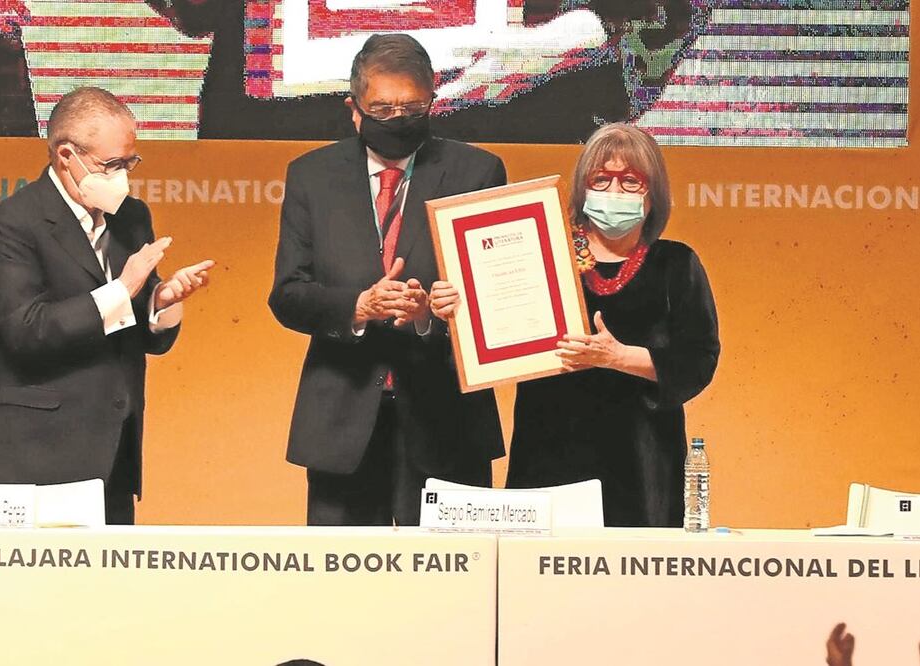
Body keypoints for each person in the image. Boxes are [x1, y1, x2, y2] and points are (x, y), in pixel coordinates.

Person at [269, 33, 506, 526]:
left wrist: (427, 318)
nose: (398, 119)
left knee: (453, 591)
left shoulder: (478, 171)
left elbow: (495, 301)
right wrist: (358, 306)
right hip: (341, 419)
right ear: (353, 108)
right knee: (346, 591)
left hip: (447, 418)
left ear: (433, 101)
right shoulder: (312, 176)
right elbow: (289, 294)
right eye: (383, 109)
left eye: (412, 108)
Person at [432, 122, 719, 527]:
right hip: (549, 452)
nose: (613, 193)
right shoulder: (541, 250)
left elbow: (697, 361)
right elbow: (489, 337)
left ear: (653, 195)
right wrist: (458, 311)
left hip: (641, 462)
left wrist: (616, 357)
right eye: (600, 180)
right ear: (582, 191)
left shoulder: (676, 264)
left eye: (630, 182)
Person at [0, 86, 214, 524]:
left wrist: (160, 302)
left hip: (113, 457)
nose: (123, 176)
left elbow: (138, 333)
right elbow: (26, 330)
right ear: (66, 156)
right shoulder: (11, 223)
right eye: (112, 165)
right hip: (35, 461)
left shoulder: (131, 217)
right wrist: (124, 288)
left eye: (130, 162)